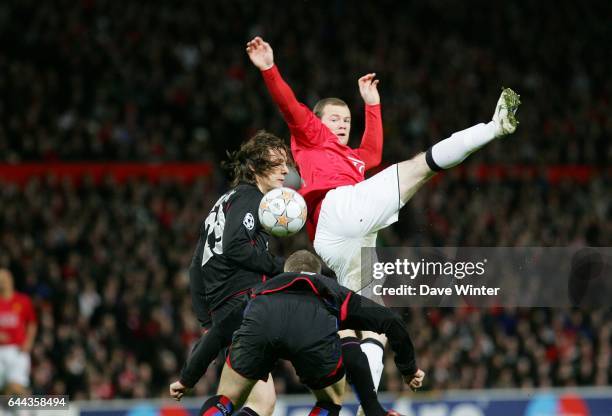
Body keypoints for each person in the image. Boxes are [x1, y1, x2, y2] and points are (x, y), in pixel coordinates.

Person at [247, 35, 520, 400]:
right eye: (335, 118)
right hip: (338, 209)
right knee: (418, 168)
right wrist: (269, 68)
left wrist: (371, 106)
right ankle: (494, 127)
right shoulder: (311, 136)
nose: (342, 125)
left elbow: (372, 153)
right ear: (317, 121)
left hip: (338, 242)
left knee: (374, 320)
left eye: (346, 120)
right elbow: (289, 105)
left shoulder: (353, 159)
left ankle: (368, 404)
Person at [196, 250, 424, 416]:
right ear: (317, 273)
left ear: (286, 272)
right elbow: (390, 323)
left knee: (243, 402)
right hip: (315, 341)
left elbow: (216, 333)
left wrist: (188, 378)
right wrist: (408, 369)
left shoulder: (260, 291)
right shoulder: (332, 291)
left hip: (261, 328)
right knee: (329, 400)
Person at [170, 130, 290, 416]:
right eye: (276, 163)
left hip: (226, 312)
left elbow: (195, 266)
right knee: (262, 402)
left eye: (286, 163)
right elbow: (236, 247)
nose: (286, 170)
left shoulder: (224, 202)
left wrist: (208, 321)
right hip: (245, 307)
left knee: (234, 399)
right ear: (254, 168)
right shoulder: (251, 199)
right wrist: (281, 267)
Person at [0, 268, 37, 395]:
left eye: (4, 279)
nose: (1, 282)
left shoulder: (22, 300)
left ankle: (36, 407)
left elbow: (32, 323)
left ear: (11, 280)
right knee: (6, 392)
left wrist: (29, 342)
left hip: (17, 350)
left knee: (15, 386)